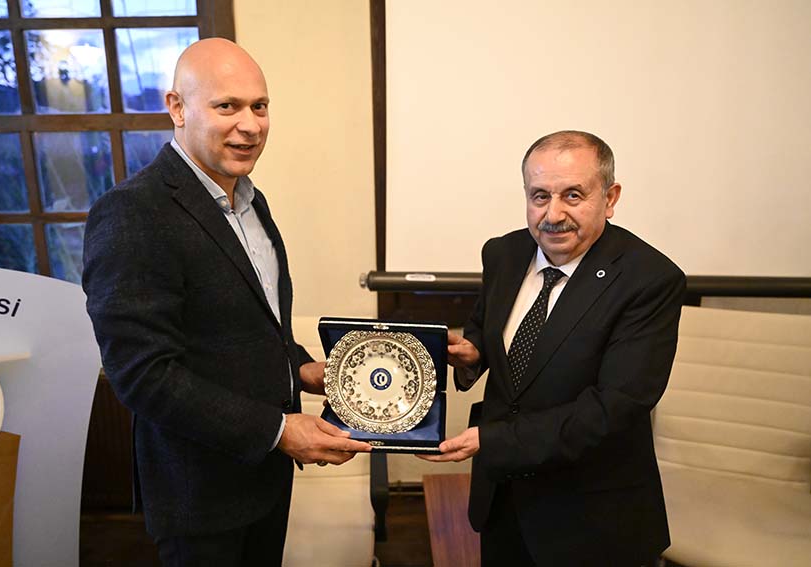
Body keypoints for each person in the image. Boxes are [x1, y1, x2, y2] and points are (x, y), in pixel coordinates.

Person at [82, 38, 370, 566]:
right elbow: (142, 374)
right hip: (199, 495)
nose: (250, 125)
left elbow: (255, 326)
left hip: (265, 480)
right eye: (227, 106)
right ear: (177, 108)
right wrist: (278, 431)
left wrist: (302, 367)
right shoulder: (132, 213)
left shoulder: (251, 201)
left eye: (260, 106)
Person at [421, 131, 685, 566]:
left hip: (591, 518)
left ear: (610, 198)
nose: (553, 214)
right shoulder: (504, 253)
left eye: (573, 195)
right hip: (502, 501)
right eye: (539, 196)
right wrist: (474, 353)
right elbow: (491, 329)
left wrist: (493, 439)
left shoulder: (649, 279)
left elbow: (615, 406)